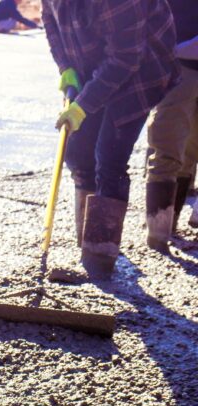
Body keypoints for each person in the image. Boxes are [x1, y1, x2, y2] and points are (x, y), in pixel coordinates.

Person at [41, 0, 179, 279]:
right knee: (78, 150)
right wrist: (65, 65)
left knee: (110, 156)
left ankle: (100, 256)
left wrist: (82, 107)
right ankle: (86, 241)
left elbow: (126, 58)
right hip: (93, 63)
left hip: (141, 71)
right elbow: (50, 19)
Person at [145, 0, 198, 250]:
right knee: (167, 145)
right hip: (178, 69)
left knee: (189, 150)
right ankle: (160, 232)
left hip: (178, 60)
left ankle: (165, 228)